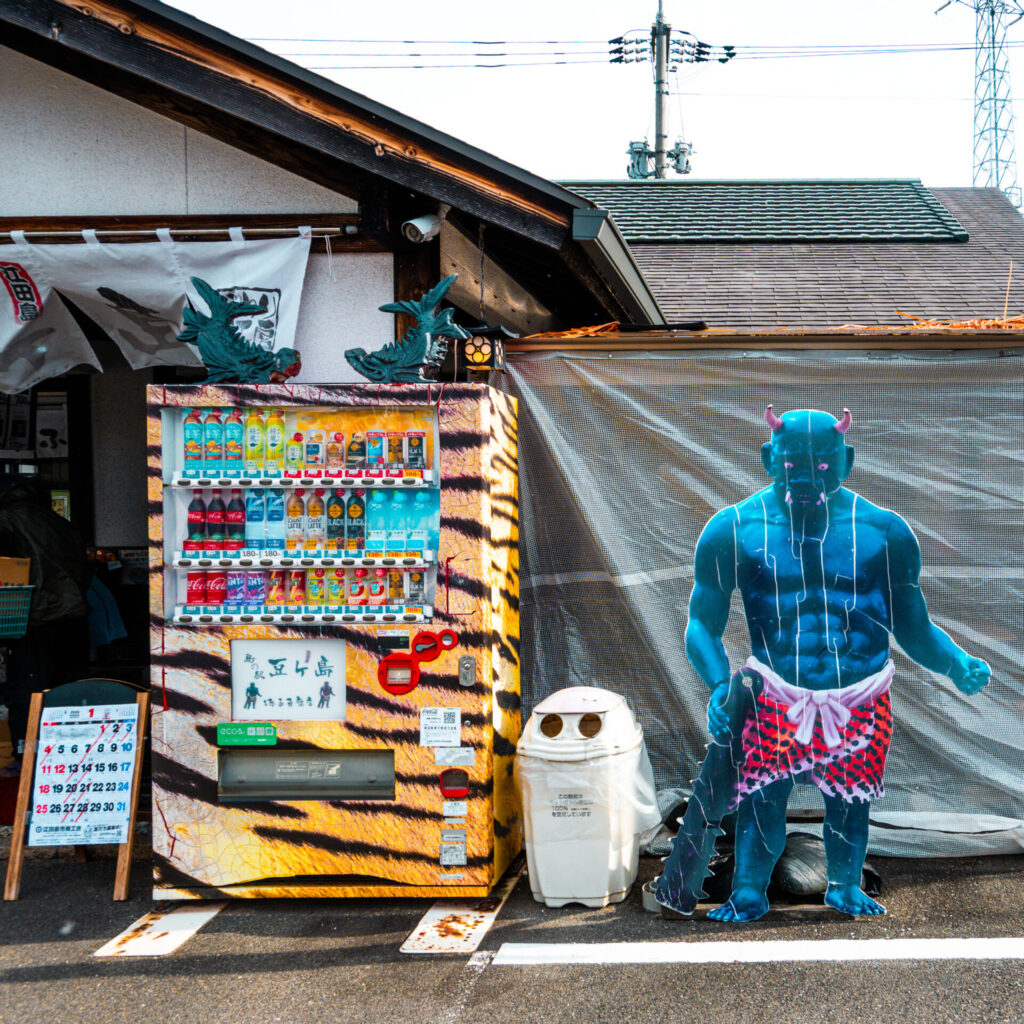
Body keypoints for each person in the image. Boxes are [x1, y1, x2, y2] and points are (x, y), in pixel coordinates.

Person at [680, 407, 990, 920]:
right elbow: (700, 625)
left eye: (822, 464)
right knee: (762, 796)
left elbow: (911, 627)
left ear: (845, 460)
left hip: (859, 693)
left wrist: (956, 664)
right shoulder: (732, 528)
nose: (805, 475)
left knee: (850, 801)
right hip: (774, 691)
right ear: (767, 459)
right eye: (791, 462)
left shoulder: (885, 532)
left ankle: (845, 885)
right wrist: (718, 685)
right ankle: (749, 891)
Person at [0, 475, 91, 765]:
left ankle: (27, 757)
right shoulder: (58, 522)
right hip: (73, 616)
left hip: (33, 616)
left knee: (28, 690)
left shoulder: (7, 519)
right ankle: (69, 754)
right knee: (67, 688)